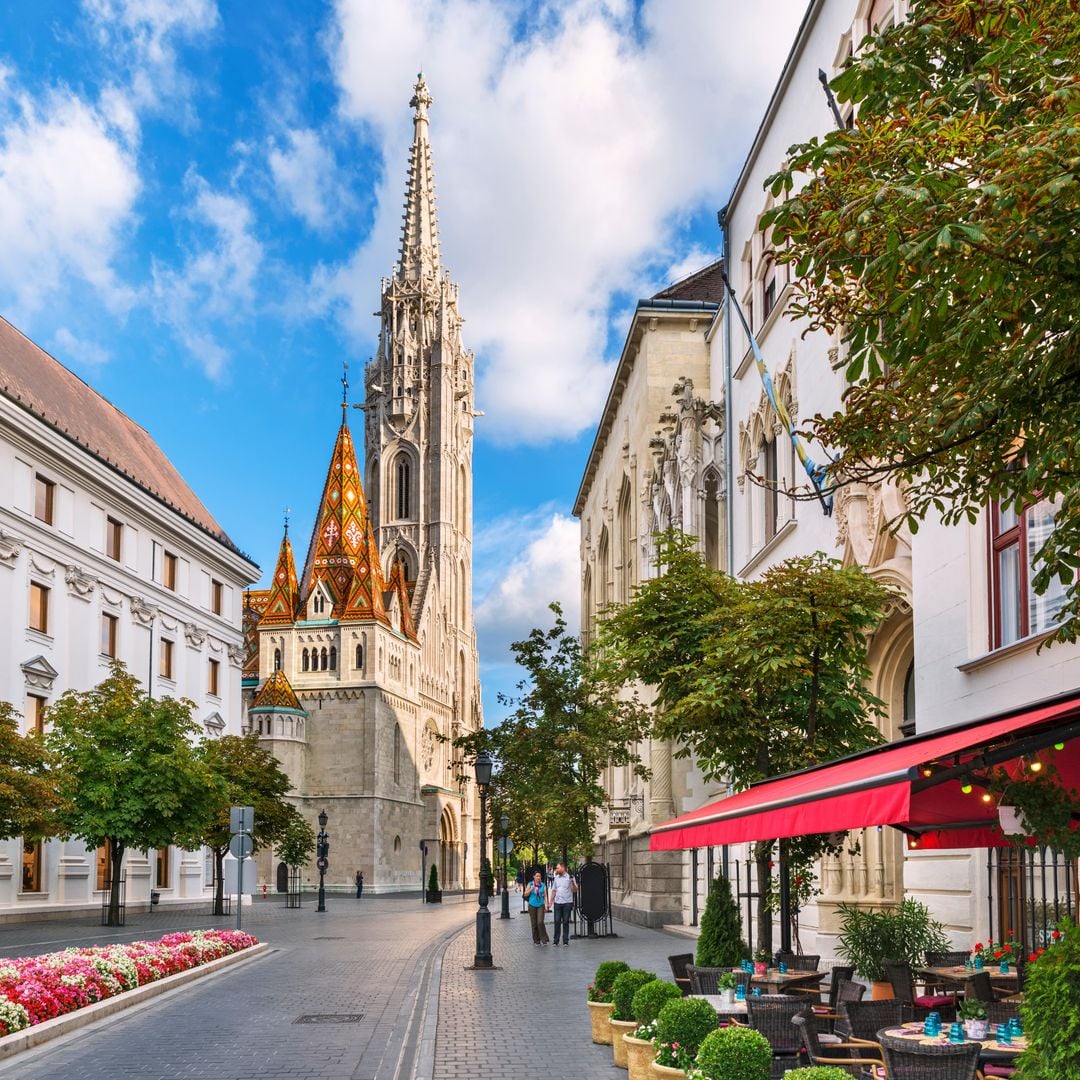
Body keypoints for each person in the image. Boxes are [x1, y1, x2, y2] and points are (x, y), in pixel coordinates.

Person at [550, 862, 577, 946]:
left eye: (558, 868)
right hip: (557, 903)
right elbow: (554, 890)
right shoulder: (556, 878)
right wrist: (551, 901)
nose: (556, 869)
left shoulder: (570, 877)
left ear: (563, 868)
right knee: (557, 921)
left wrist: (572, 882)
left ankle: (565, 941)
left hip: (567, 903)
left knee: (565, 921)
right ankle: (556, 940)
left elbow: (575, 890)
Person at [525, 870, 549, 945]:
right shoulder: (530, 884)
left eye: (539, 876)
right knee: (534, 923)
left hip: (540, 905)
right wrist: (531, 888)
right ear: (534, 877)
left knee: (540, 922)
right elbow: (525, 894)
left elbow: (545, 895)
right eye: (537, 876)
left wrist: (547, 904)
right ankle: (536, 940)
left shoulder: (543, 885)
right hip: (532, 905)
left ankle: (544, 938)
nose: (538, 877)